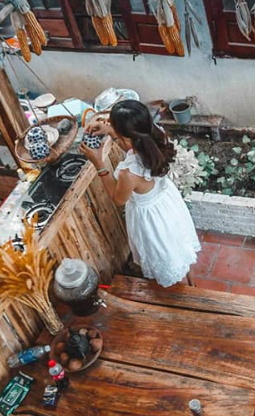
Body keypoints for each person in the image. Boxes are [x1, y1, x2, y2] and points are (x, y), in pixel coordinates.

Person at [79, 100, 201, 287]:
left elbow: (118, 199)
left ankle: (177, 289)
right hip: (167, 204)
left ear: (125, 135)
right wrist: (110, 131)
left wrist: (99, 164)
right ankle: (191, 282)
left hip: (151, 218)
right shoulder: (155, 136)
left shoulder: (130, 174)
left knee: (163, 252)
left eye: (112, 125)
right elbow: (130, 146)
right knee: (177, 243)